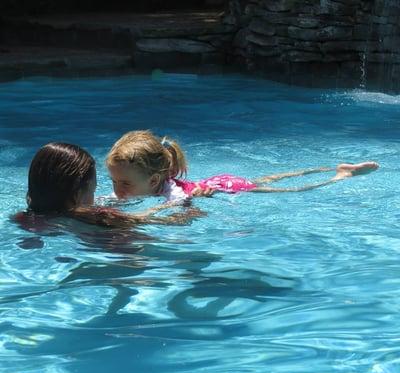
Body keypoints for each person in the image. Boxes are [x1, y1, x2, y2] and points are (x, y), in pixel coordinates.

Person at [106, 130, 379, 203]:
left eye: (124, 183)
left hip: (229, 188)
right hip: (219, 180)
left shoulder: (171, 194)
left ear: (154, 181)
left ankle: (338, 175)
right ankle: (327, 167)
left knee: (289, 190)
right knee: (268, 178)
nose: (117, 190)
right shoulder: (138, 189)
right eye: (114, 182)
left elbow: (178, 213)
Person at [15, 142, 203, 230]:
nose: (116, 190)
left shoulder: (21, 219)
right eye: (93, 191)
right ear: (75, 196)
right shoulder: (103, 220)